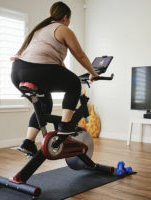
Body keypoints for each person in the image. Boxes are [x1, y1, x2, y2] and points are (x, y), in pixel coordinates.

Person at [11, 1, 99, 156]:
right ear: (66, 17)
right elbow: (80, 54)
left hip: (17, 72)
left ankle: (28, 142)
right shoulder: (63, 29)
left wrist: (66, 74)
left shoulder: (40, 29)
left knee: (44, 104)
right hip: (37, 70)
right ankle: (65, 127)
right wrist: (93, 73)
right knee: (74, 84)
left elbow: (53, 62)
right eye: (69, 19)